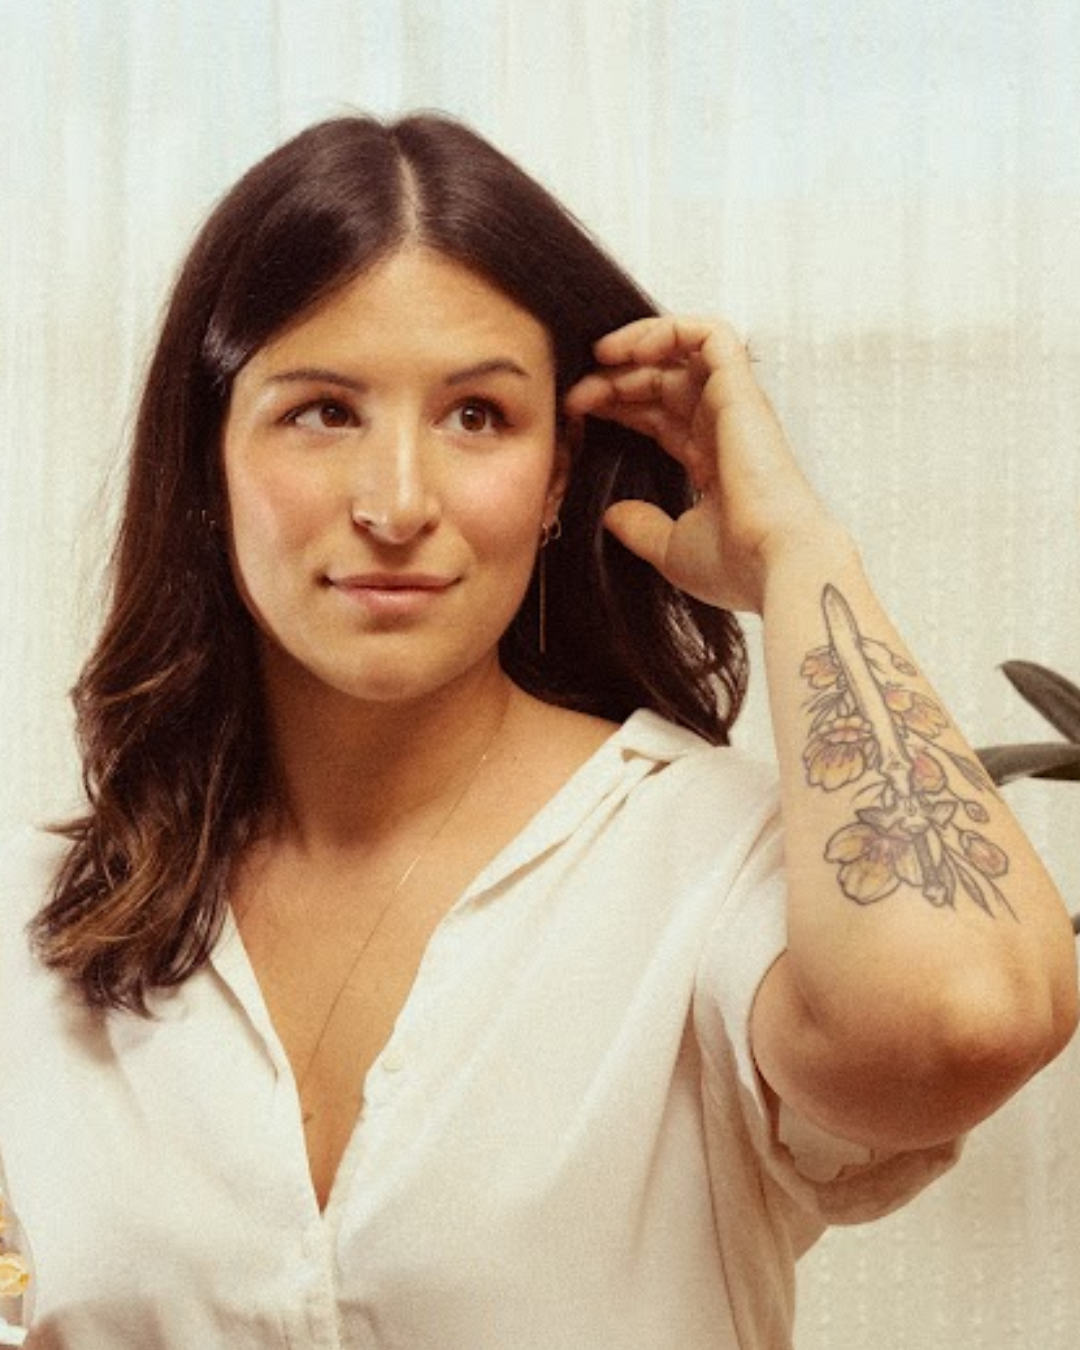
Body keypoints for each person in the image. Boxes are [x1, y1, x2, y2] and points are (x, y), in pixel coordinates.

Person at [0, 111, 1076, 1350]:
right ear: (207, 462)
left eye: (476, 418)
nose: (396, 505)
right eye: (321, 412)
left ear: (560, 472)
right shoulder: (50, 925)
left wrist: (798, 553)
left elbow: (970, 1018)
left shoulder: (712, 866)